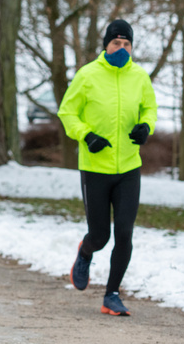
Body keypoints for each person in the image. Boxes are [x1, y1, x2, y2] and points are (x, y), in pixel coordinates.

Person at [57, 19, 157, 317]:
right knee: (100, 236)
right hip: (95, 168)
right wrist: (86, 135)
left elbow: (149, 109)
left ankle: (111, 294)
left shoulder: (139, 77)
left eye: (127, 44)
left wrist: (146, 127)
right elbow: (67, 112)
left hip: (128, 167)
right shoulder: (87, 75)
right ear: (106, 45)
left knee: (124, 232)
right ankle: (85, 251)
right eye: (117, 43)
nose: (122, 48)